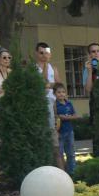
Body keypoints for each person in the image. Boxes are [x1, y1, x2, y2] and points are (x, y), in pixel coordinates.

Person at [35, 42, 63, 170]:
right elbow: (42, 82)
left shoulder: (53, 68)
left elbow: (58, 85)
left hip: (53, 102)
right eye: (41, 53)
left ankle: (58, 163)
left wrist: (48, 85)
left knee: (55, 130)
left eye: (46, 53)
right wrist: (47, 84)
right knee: (47, 131)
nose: (44, 55)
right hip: (41, 103)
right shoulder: (34, 68)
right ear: (37, 53)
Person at [54, 83, 77, 175]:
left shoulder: (69, 103)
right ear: (54, 94)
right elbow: (57, 116)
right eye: (59, 92)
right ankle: (63, 173)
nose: (61, 94)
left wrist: (65, 117)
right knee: (60, 154)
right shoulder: (55, 105)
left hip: (69, 131)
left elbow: (75, 115)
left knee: (71, 153)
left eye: (63, 92)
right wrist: (65, 117)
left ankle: (73, 172)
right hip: (60, 132)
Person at [83, 42, 99, 123]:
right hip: (96, 105)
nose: (96, 53)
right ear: (89, 54)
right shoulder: (87, 70)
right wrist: (90, 72)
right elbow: (88, 89)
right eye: (93, 51)